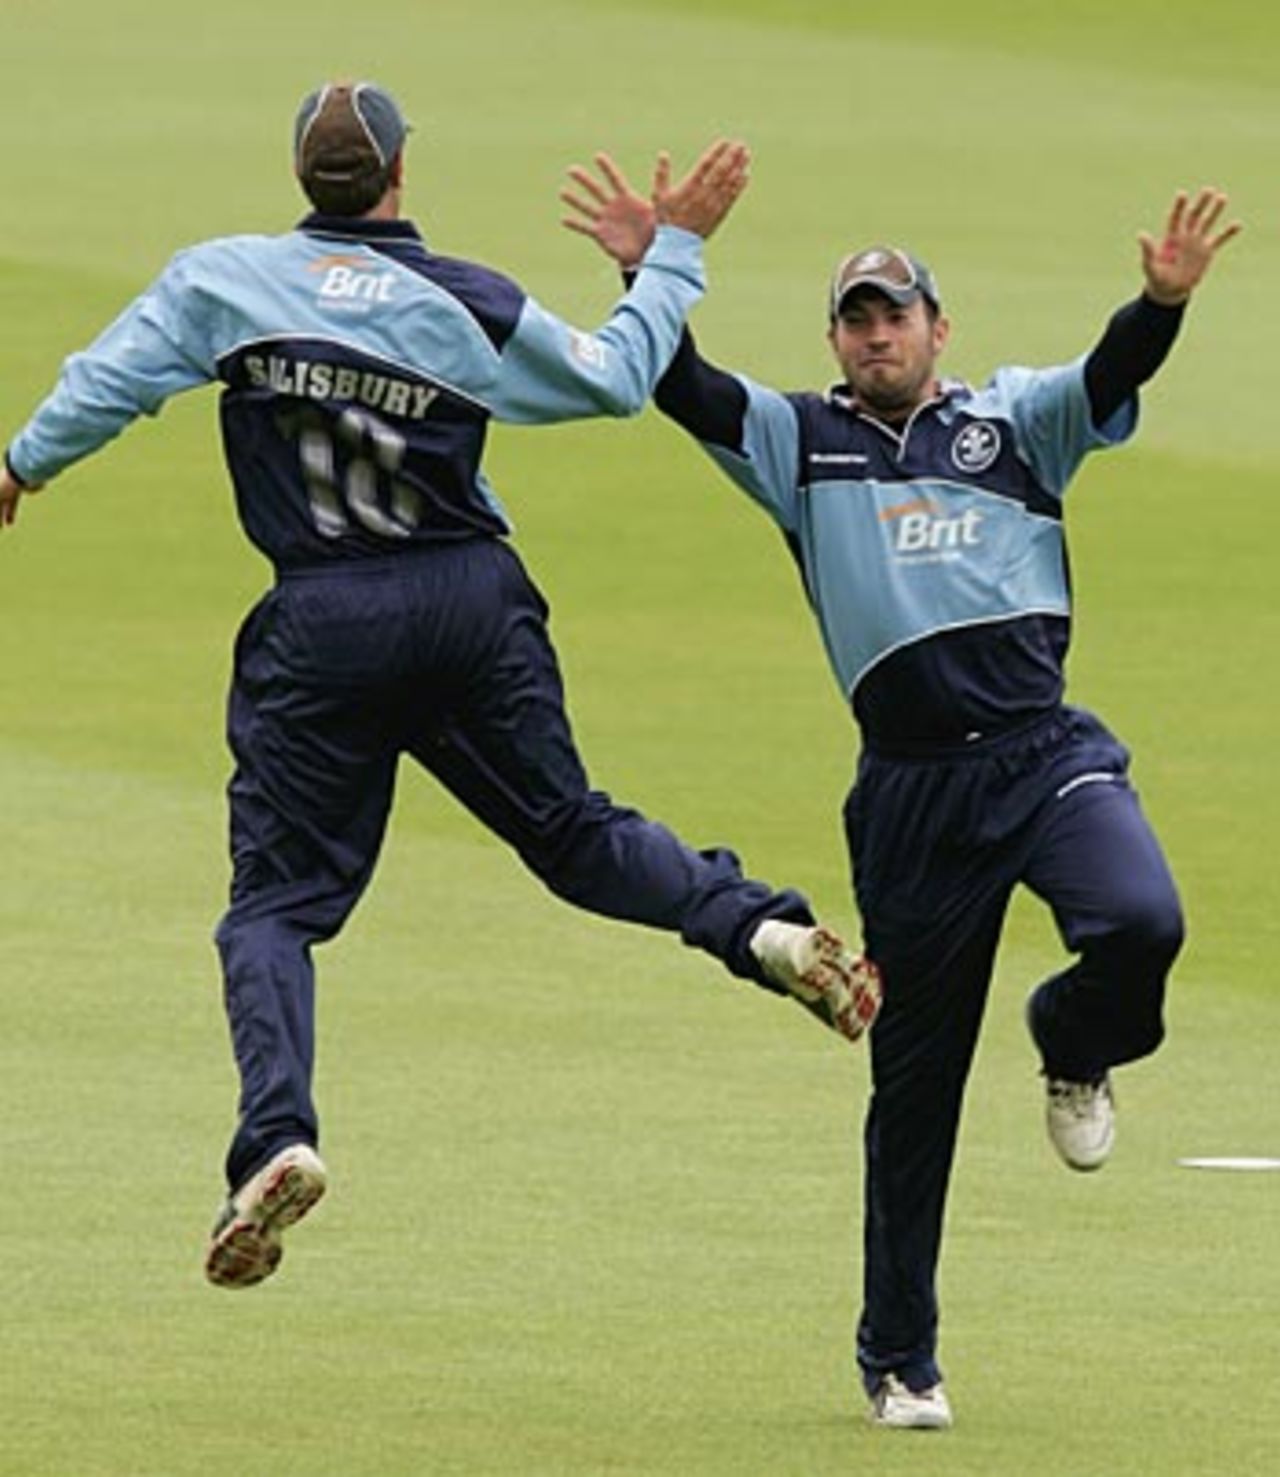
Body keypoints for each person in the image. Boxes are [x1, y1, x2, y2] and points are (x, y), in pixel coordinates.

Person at [0, 83, 883, 1293]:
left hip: (321, 620)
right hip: (471, 600)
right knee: (573, 832)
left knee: (276, 909)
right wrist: (671, 254)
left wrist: (19, 467)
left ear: (304, 179)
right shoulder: (465, 301)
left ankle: (278, 1136)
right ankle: (761, 929)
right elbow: (617, 378)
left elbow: (110, 382)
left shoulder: (221, 280)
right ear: (401, 178)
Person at [562, 161, 1240, 1429]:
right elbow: (681, 385)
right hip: (913, 798)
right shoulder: (795, 442)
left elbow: (1108, 378)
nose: (878, 335)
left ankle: (1074, 1044)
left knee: (1141, 921)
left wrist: (1157, 306)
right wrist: (643, 267)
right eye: (857, 318)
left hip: (1042, 755)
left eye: (897, 314)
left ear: (939, 327)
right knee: (913, 1091)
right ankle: (898, 1360)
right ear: (835, 339)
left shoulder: (1013, 423)